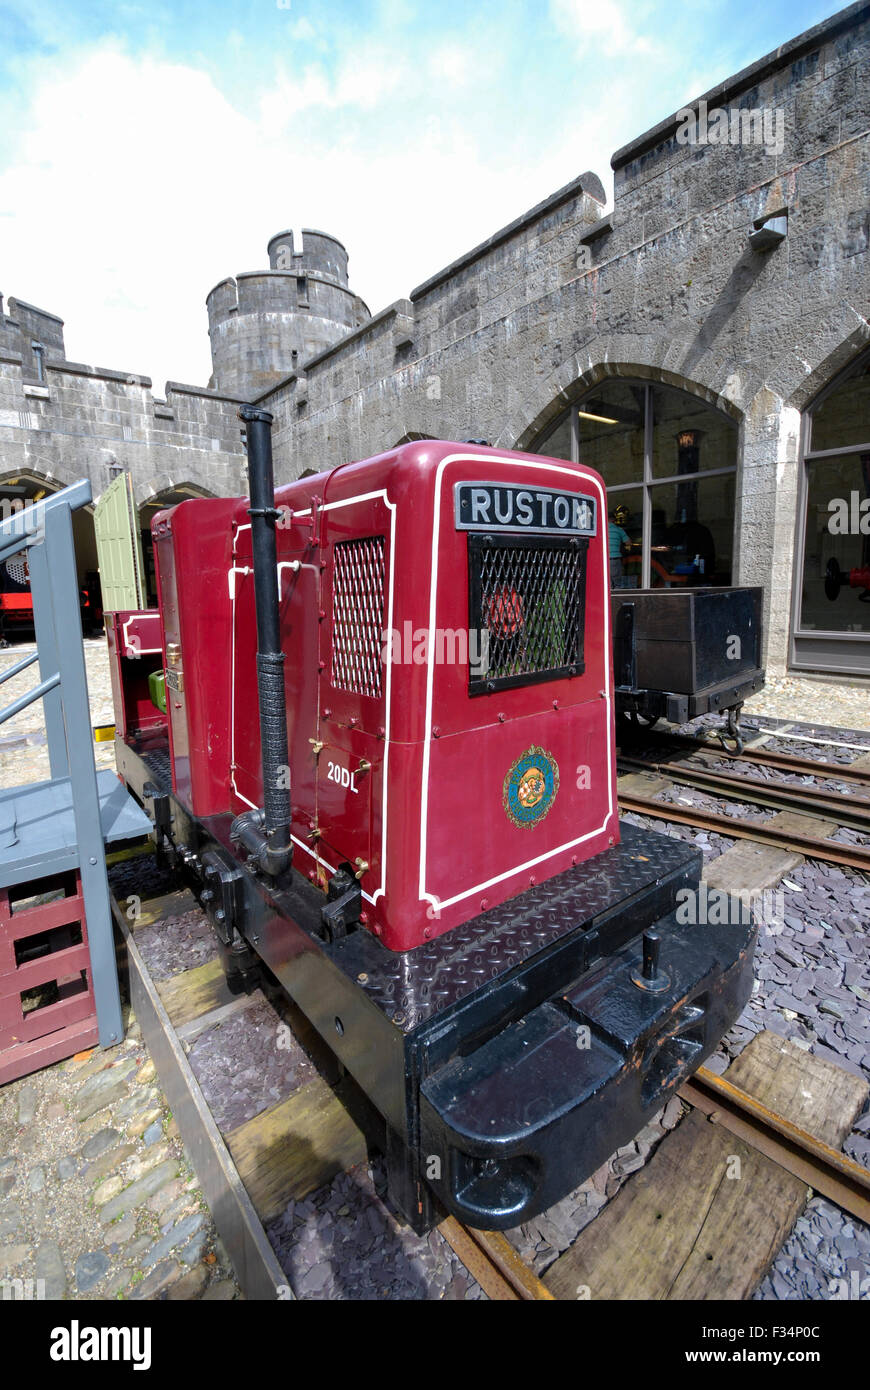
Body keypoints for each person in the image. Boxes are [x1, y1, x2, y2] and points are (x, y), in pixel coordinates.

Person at [608, 504, 634, 586]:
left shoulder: (602, 530)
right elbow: (628, 542)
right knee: (617, 583)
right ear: (613, 519)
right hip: (615, 559)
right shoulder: (619, 530)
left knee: (607, 584)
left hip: (604, 560)